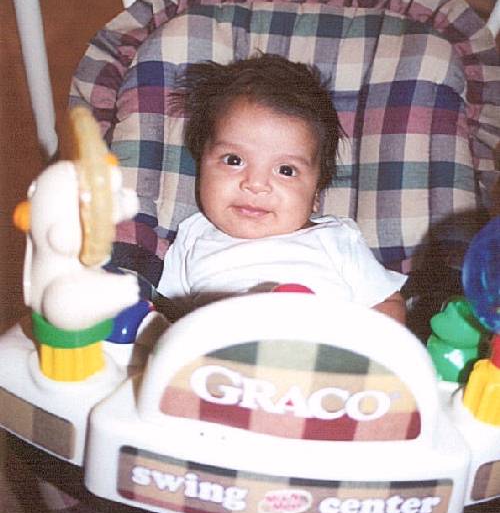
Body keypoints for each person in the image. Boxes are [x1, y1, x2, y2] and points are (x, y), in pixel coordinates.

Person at [157, 54, 407, 324]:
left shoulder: (336, 239)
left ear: (316, 195)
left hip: (323, 346)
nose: (255, 184)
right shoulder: (193, 236)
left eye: (286, 170)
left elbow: (386, 303)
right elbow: (168, 314)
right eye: (234, 160)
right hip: (221, 349)